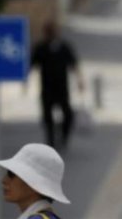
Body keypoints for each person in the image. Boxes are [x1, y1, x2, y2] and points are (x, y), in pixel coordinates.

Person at [30, 21, 85, 150]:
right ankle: (51, 141)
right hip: (47, 88)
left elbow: (74, 64)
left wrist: (80, 80)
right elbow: (32, 65)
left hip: (62, 88)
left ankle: (63, 136)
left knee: (68, 115)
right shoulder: (41, 48)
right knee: (47, 117)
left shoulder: (64, 47)